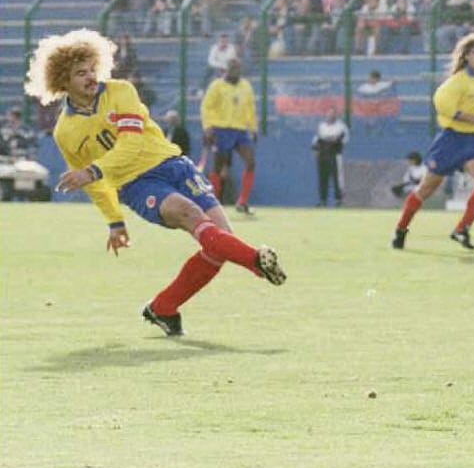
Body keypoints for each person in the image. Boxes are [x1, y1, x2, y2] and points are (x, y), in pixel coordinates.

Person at [24, 29, 285, 336]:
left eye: (92, 69)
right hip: (137, 185)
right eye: (81, 73)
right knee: (190, 214)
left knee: (220, 243)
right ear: (62, 81)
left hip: (175, 165)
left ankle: (163, 307)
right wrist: (114, 221)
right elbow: (95, 186)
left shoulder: (121, 91)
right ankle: (256, 261)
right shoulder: (65, 132)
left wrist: (93, 171)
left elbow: (131, 144)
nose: (91, 77)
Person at [391, 32, 474, 251]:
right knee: (426, 189)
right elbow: (445, 107)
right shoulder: (457, 81)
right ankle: (401, 228)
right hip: (451, 140)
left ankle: (462, 229)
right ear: (466, 56)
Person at [201, 59, 257, 214]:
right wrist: (208, 127)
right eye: (232, 69)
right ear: (225, 70)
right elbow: (206, 107)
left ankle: (242, 201)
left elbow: (250, 107)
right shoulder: (216, 86)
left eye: (238, 69)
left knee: (250, 162)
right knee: (218, 167)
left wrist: (253, 127)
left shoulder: (246, 86)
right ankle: (212, 204)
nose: (235, 72)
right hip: (221, 129)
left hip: (240, 130)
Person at [312, 105, 349, 207]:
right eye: (329, 113)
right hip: (323, 155)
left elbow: (343, 139)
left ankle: (338, 200)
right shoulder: (321, 126)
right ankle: (323, 200)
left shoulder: (341, 127)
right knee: (323, 178)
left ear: (336, 115)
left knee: (337, 178)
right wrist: (315, 149)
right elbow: (317, 139)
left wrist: (332, 141)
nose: (331, 115)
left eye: (333, 113)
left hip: (335, 154)